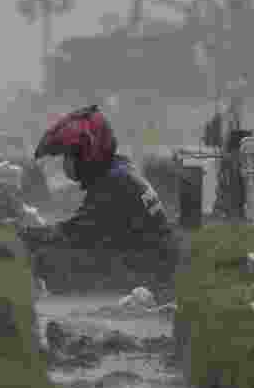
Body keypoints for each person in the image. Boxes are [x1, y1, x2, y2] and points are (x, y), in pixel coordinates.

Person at [18, 105, 185, 303]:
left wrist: (25, 235)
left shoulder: (114, 183)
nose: (66, 163)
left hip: (149, 271)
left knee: (49, 261)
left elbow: (74, 233)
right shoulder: (119, 169)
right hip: (147, 259)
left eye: (70, 155)